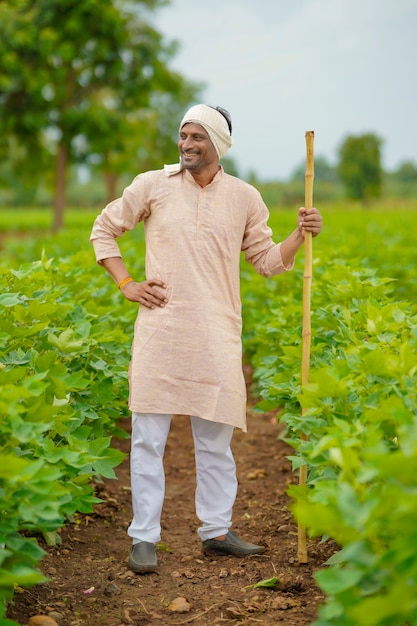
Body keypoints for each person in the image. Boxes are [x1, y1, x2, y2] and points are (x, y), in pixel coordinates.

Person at [90, 103, 322, 574]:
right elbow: (104, 230)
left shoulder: (244, 197)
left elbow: (266, 260)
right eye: (183, 135)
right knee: (147, 441)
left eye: (197, 137)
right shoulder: (152, 185)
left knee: (215, 441)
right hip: (161, 329)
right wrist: (126, 284)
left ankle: (216, 530)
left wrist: (299, 235)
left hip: (217, 331)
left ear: (219, 144)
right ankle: (144, 538)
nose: (187, 144)